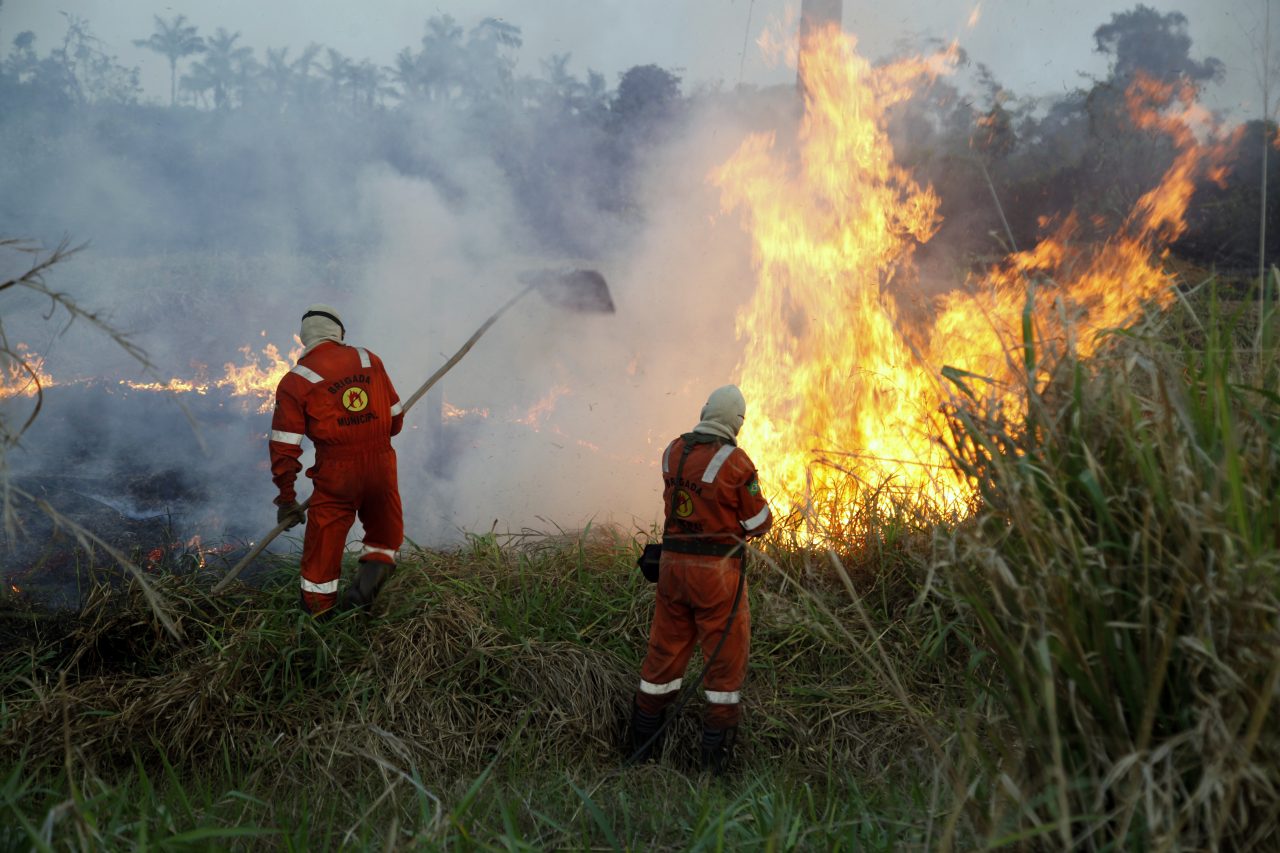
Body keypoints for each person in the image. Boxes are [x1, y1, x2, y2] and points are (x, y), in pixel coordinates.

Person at [628, 384, 773, 774]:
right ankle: (713, 767)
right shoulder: (737, 463)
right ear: (737, 422)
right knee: (724, 664)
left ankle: (641, 754)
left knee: (663, 656)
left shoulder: (672, 451)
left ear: (705, 410)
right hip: (716, 577)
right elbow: (758, 523)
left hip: (671, 569)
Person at [268, 304, 405, 616]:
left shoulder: (295, 381)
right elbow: (396, 420)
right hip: (382, 466)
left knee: (322, 553)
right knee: (384, 536)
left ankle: (319, 622)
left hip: (337, 476)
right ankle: (362, 597)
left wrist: (287, 499)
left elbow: (284, 448)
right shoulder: (369, 359)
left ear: (305, 339)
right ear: (338, 332)